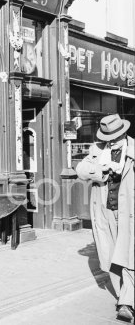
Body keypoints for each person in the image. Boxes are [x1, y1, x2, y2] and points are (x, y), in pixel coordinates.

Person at [76, 114, 134, 322]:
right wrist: (100, 169)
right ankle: (122, 296)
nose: (113, 140)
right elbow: (80, 170)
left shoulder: (133, 150)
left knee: (129, 255)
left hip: (130, 212)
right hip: (105, 211)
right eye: (109, 137)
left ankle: (127, 302)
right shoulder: (98, 150)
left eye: (117, 135)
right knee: (110, 256)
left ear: (124, 132)